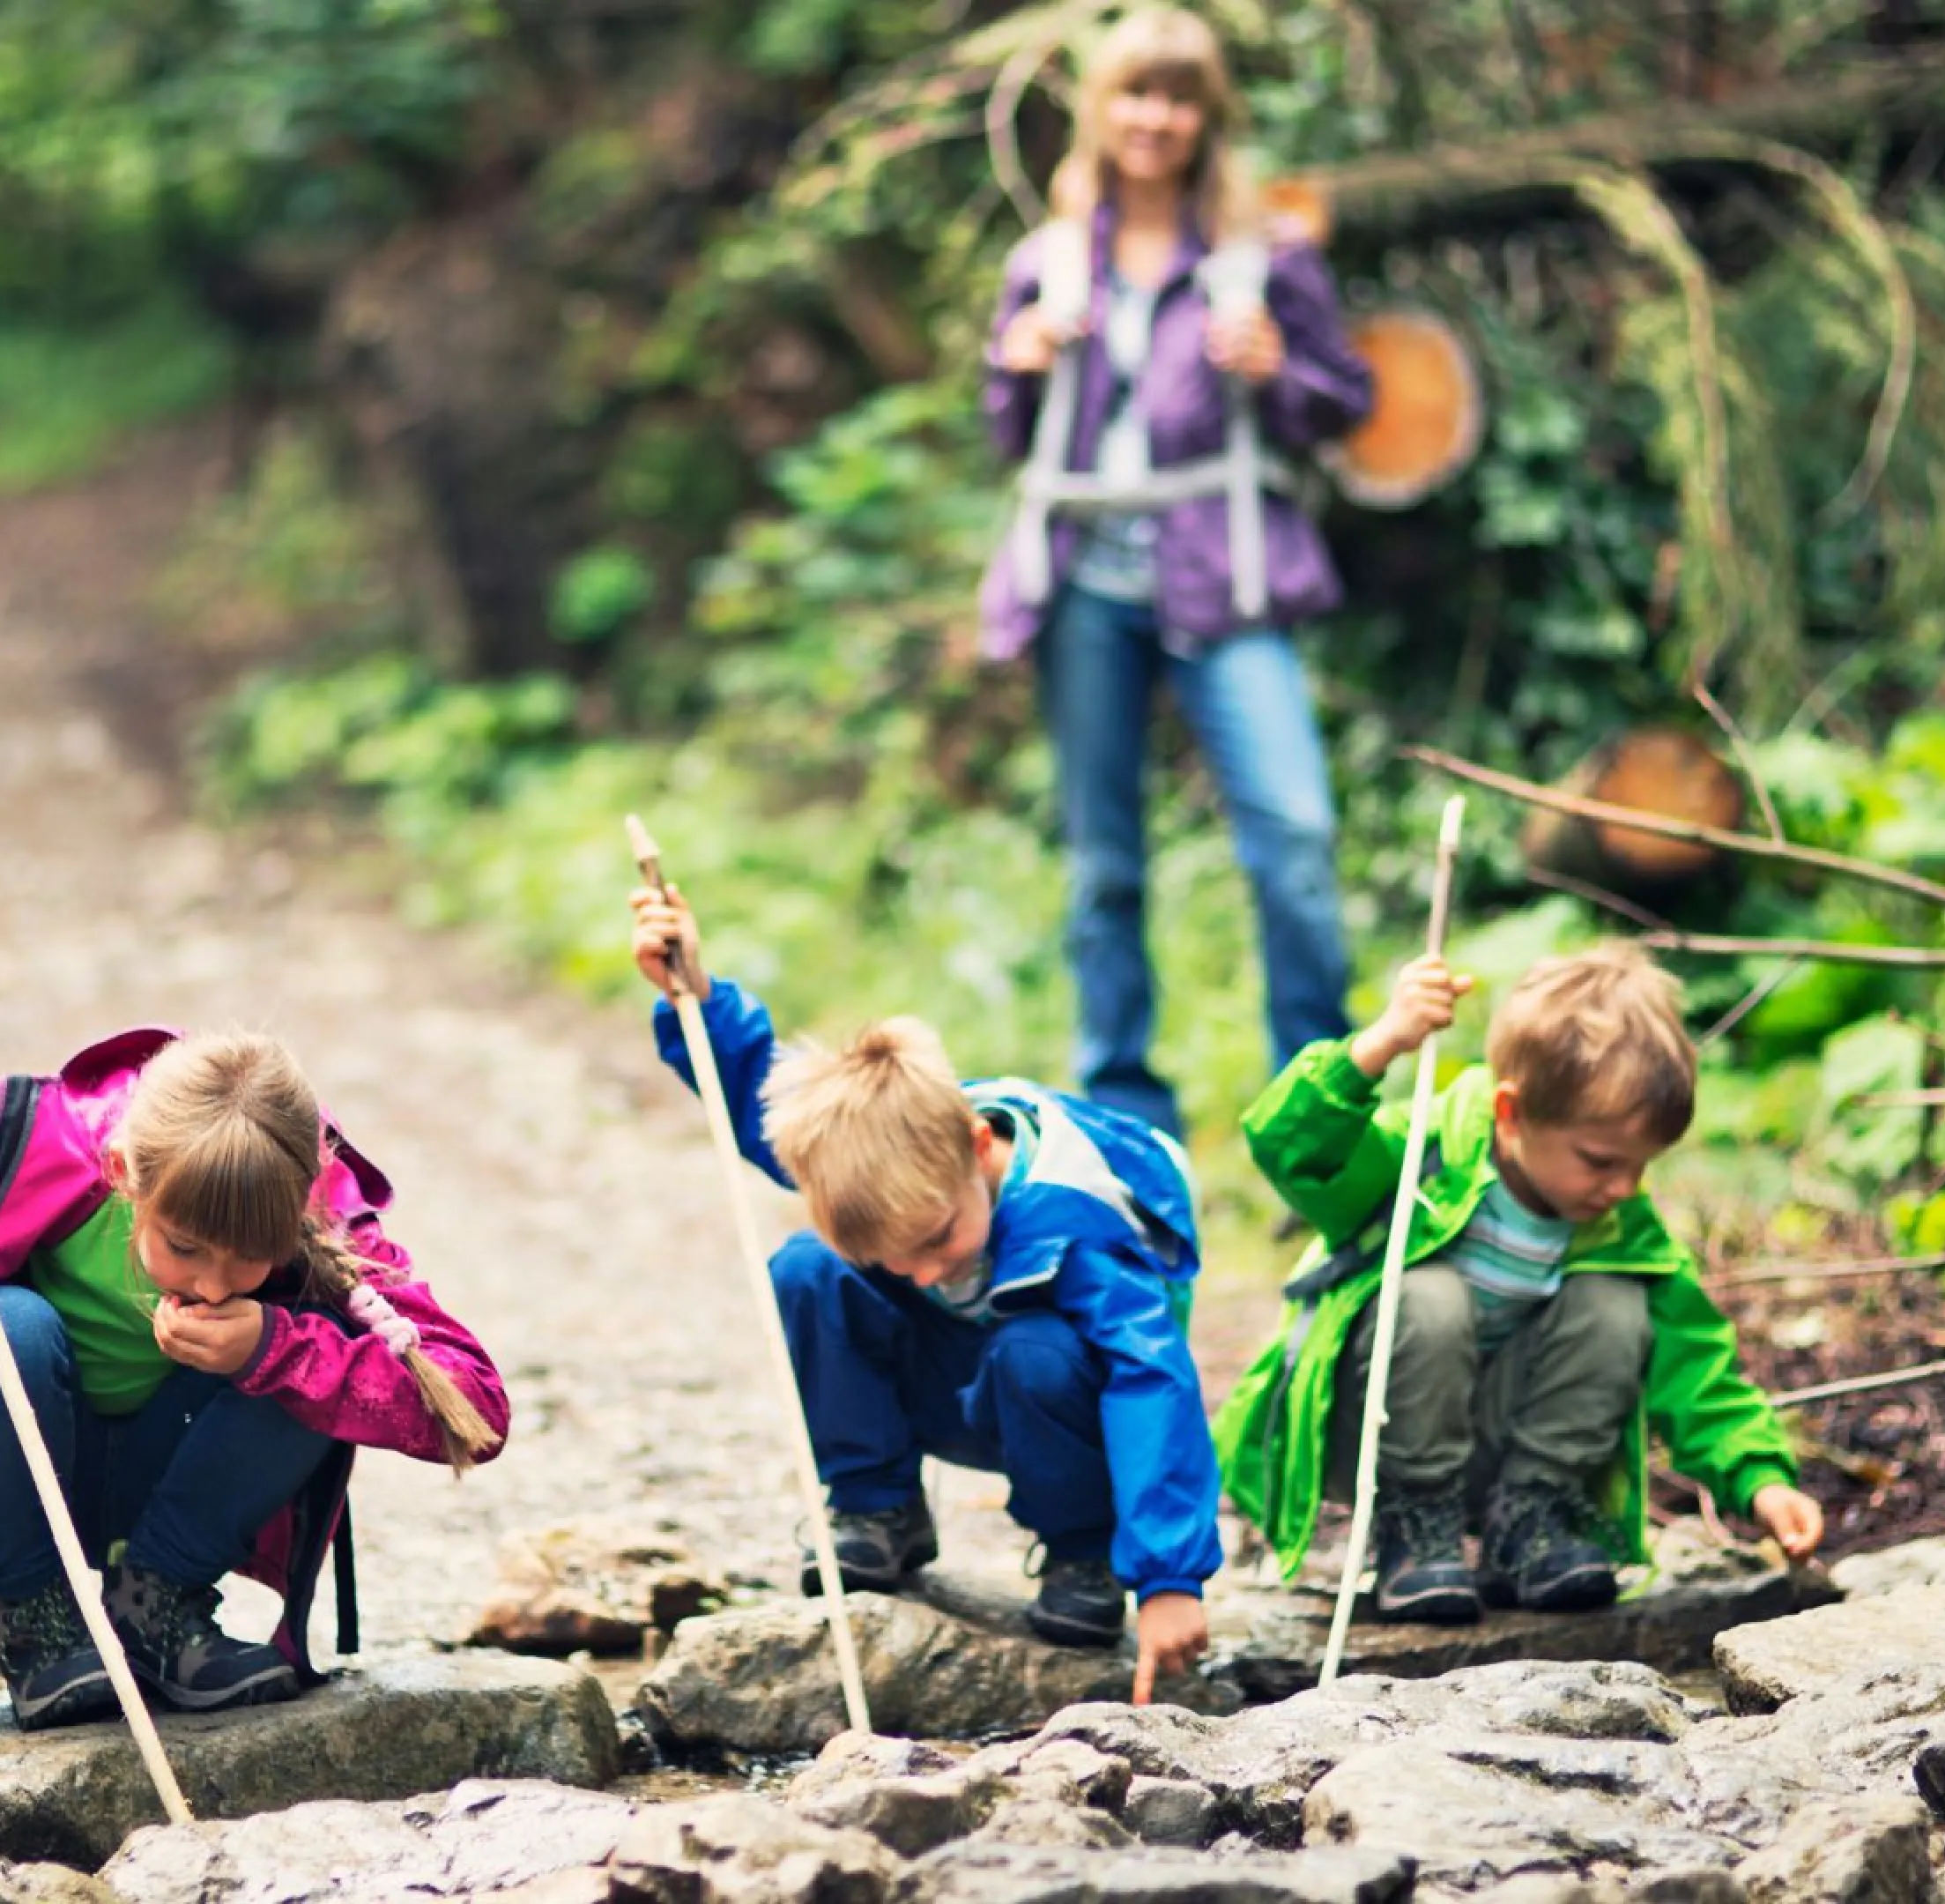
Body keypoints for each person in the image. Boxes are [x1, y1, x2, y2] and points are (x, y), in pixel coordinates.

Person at [0, 852, 508, 1728]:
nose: (215, 1284)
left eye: (246, 1260)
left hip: (176, 1489)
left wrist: (273, 1347)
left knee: (309, 1335)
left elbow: (474, 1403)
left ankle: (157, 1608)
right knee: (5, 1324)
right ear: (123, 1173)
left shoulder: (322, 1219)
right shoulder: (29, 1141)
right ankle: (39, 1625)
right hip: (27, 1467)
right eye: (186, 1247)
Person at [629, 885, 1221, 1681]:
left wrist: (1169, 1578)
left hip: (1054, 1411)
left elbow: (1152, 1381)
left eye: (939, 1238)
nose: (924, 1271)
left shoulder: (1075, 1224)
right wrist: (694, 995)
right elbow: (758, 1099)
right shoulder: (886, 1164)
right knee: (807, 1269)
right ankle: (877, 1506)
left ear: (980, 1147)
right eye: (893, 1259)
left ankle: (1081, 1554)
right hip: (943, 1384)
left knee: (1036, 1350)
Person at [976, 5, 1378, 1142]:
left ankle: (1317, 1107)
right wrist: (1016, 365)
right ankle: (1122, 1114)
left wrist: (1278, 364)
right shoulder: (1046, 260)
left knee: (1295, 837)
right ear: (1100, 112)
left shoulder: (1267, 256)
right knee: (1104, 863)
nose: (1155, 117)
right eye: (1135, 94)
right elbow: (1010, 435)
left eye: (1178, 96)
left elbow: (1343, 402)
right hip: (1084, 587)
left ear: (1207, 116)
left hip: (1225, 574)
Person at [1213, 943, 1824, 1624]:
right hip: (1383, 1432)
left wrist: (1762, 1481)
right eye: (1599, 1161)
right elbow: (1290, 1147)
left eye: (1640, 1166)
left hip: (1507, 1441)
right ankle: (1415, 1530)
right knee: (1432, 1298)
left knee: (1618, 1306)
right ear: (1511, 1113)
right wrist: (1381, 1044)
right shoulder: (1426, 1153)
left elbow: (1695, 1367)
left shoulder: (1619, 1225)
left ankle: (1529, 1521)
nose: (1622, 1187)